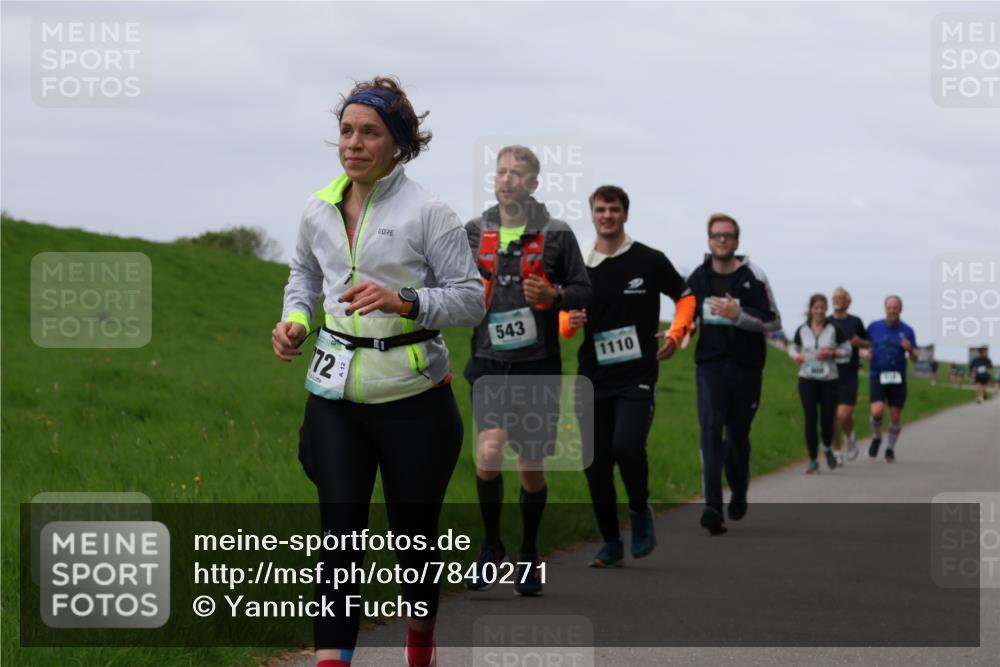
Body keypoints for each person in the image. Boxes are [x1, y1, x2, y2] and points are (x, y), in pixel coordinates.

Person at [272, 76, 485, 667]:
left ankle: (420, 638)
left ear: (398, 143)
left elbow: (471, 300)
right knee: (338, 540)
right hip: (334, 397)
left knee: (412, 543)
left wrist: (405, 301)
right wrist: (295, 320)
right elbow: (304, 276)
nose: (354, 143)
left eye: (369, 132)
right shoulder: (318, 208)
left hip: (414, 399)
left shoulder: (429, 213)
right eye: (346, 131)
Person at [463, 145, 591, 596]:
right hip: (488, 361)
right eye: (501, 171)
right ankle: (491, 546)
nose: (507, 179)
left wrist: (555, 297)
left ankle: (530, 554)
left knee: (531, 467)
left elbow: (584, 290)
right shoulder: (474, 231)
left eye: (517, 173)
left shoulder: (556, 233)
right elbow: (451, 285)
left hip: (537, 366)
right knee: (489, 450)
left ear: (533, 183)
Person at [559, 185, 695, 567]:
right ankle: (610, 541)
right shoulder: (578, 265)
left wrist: (677, 332)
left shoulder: (649, 260)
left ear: (625, 214)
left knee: (627, 447)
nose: (607, 216)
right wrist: (568, 320)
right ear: (592, 214)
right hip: (592, 376)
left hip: (637, 373)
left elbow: (685, 296)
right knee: (595, 464)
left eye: (614, 209)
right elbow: (561, 317)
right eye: (601, 209)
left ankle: (638, 510)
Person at [686, 213, 782, 535]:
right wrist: (680, 331)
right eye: (717, 235)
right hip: (710, 366)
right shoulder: (698, 277)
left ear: (737, 241)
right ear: (709, 240)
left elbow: (773, 321)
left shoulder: (753, 275)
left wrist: (738, 314)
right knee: (711, 430)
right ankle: (712, 507)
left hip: (746, 368)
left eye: (728, 235)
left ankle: (739, 489)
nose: (722, 240)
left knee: (737, 437)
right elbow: (688, 315)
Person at [789, 294, 852, 473]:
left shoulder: (834, 329)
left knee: (827, 419)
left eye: (822, 308)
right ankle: (813, 459)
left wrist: (832, 354)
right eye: (816, 307)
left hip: (829, 380)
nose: (819, 311)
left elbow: (847, 349)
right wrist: (796, 356)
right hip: (807, 378)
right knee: (810, 418)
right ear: (811, 309)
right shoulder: (802, 329)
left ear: (826, 309)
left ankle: (826, 447)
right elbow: (793, 347)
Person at [864, 295, 918, 463]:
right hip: (877, 374)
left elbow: (915, 358)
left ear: (900, 310)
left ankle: (890, 449)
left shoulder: (907, 330)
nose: (892, 310)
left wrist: (910, 349)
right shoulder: (874, 327)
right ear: (885, 309)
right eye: (889, 307)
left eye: (895, 307)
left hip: (897, 377)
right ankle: (877, 436)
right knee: (877, 410)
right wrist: (865, 353)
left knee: (895, 416)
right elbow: (863, 345)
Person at [830, 287, 870, 462]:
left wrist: (860, 342)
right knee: (830, 417)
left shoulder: (855, 321)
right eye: (834, 297)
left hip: (849, 374)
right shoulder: (827, 322)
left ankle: (850, 436)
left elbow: (868, 343)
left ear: (848, 302)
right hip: (829, 374)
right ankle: (837, 452)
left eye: (840, 298)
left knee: (843, 415)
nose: (837, 300)